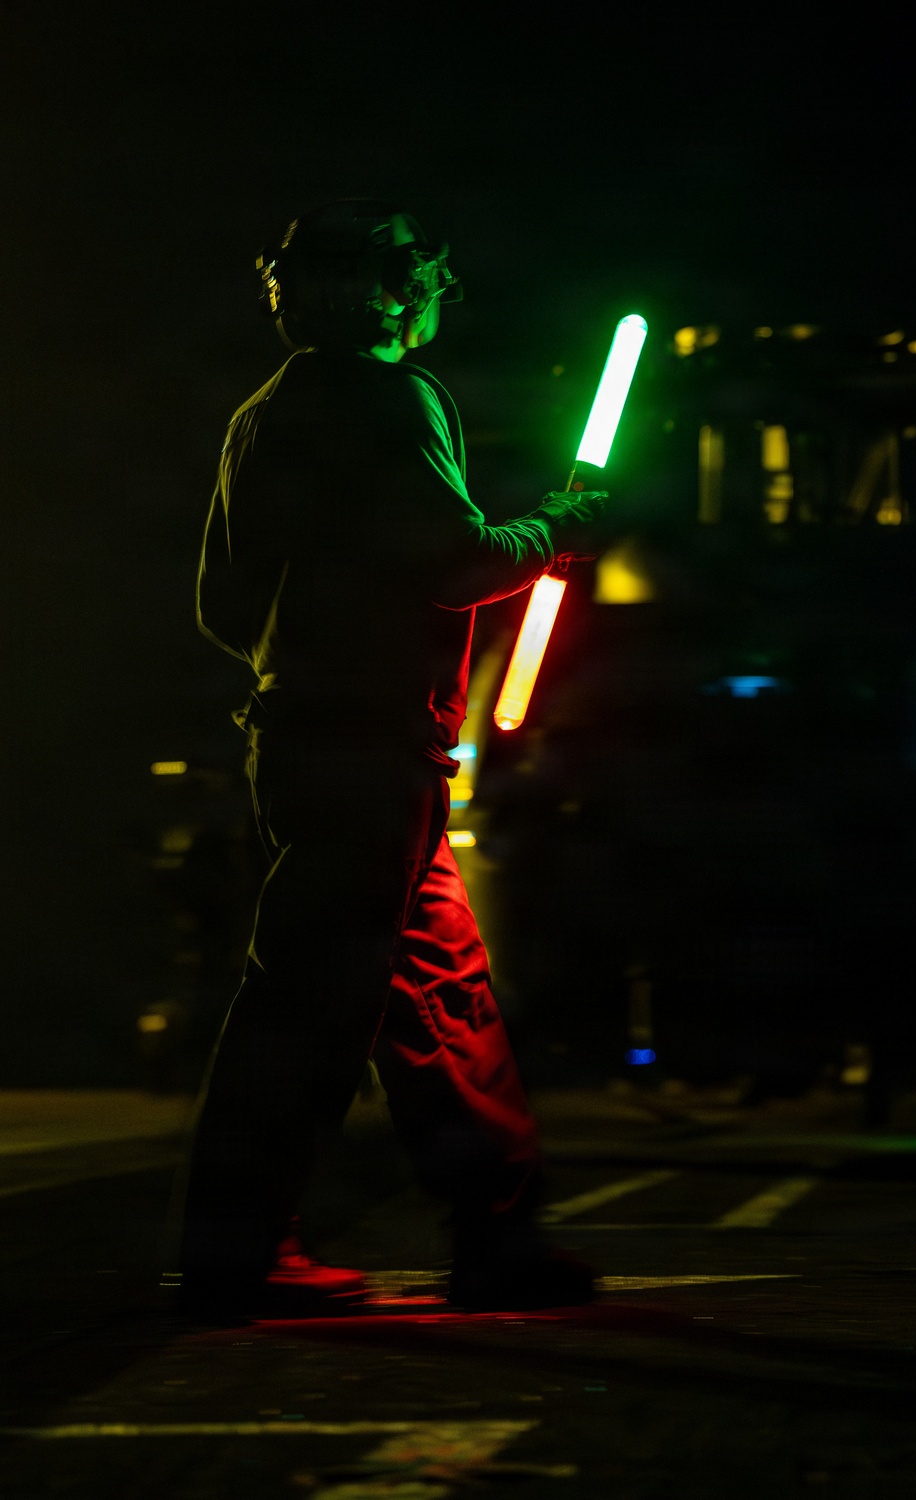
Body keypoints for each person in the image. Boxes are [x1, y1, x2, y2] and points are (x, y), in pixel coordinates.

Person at [174, 199, 608, 1318]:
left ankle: (494, 1236)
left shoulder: (262, 415)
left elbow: (222, 605)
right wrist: (554, 529)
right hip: (374, 748)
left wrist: (310, 643)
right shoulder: (389, 395)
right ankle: (243, 1254)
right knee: (318, 1004)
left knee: (434, 991)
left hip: (306, 737)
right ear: (397, 291)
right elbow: (454, 560)